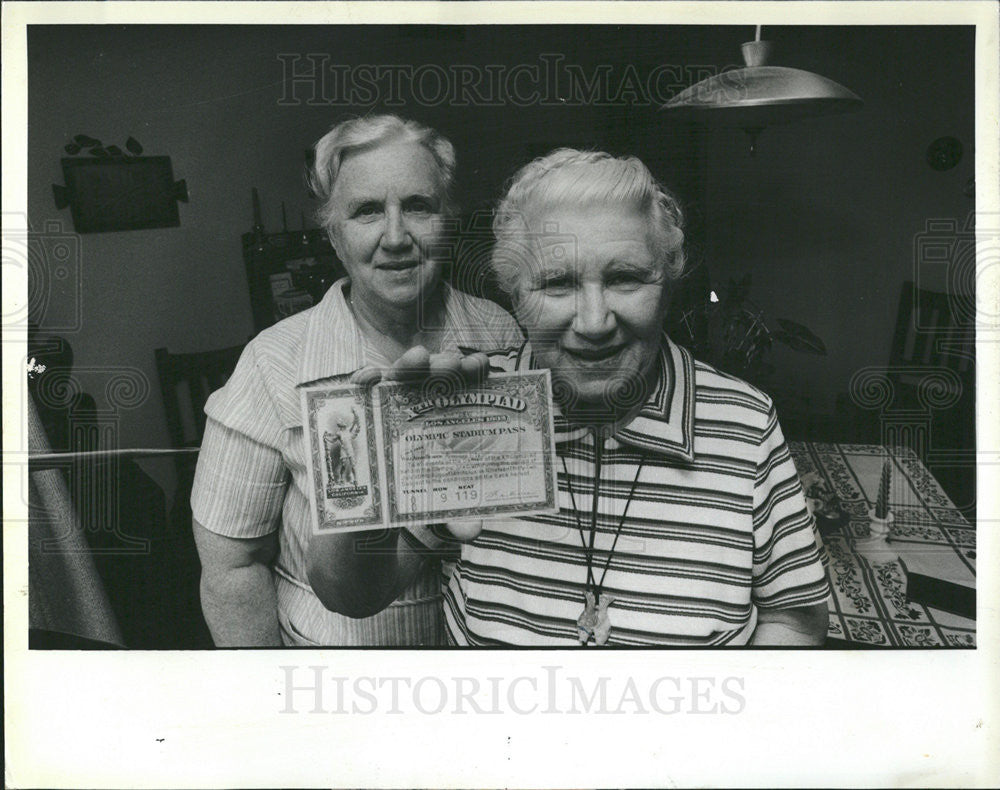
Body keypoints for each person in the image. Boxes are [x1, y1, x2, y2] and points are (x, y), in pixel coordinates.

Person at [313, 148, 831, 646]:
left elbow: (796, 618)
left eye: (625, 278)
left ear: (669, 284)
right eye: (557, 284)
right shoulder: (468, 408)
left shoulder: (745, 421)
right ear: (513, 297)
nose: (593, 322)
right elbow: (353, 597)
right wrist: (374, 469)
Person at [190, 115, 523, 646]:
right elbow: (232, 567)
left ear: (447, 221)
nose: (396, 237)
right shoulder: (273, 362)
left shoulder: (500, 333)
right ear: (335, 235)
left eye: (418, 206)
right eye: (367, 211)